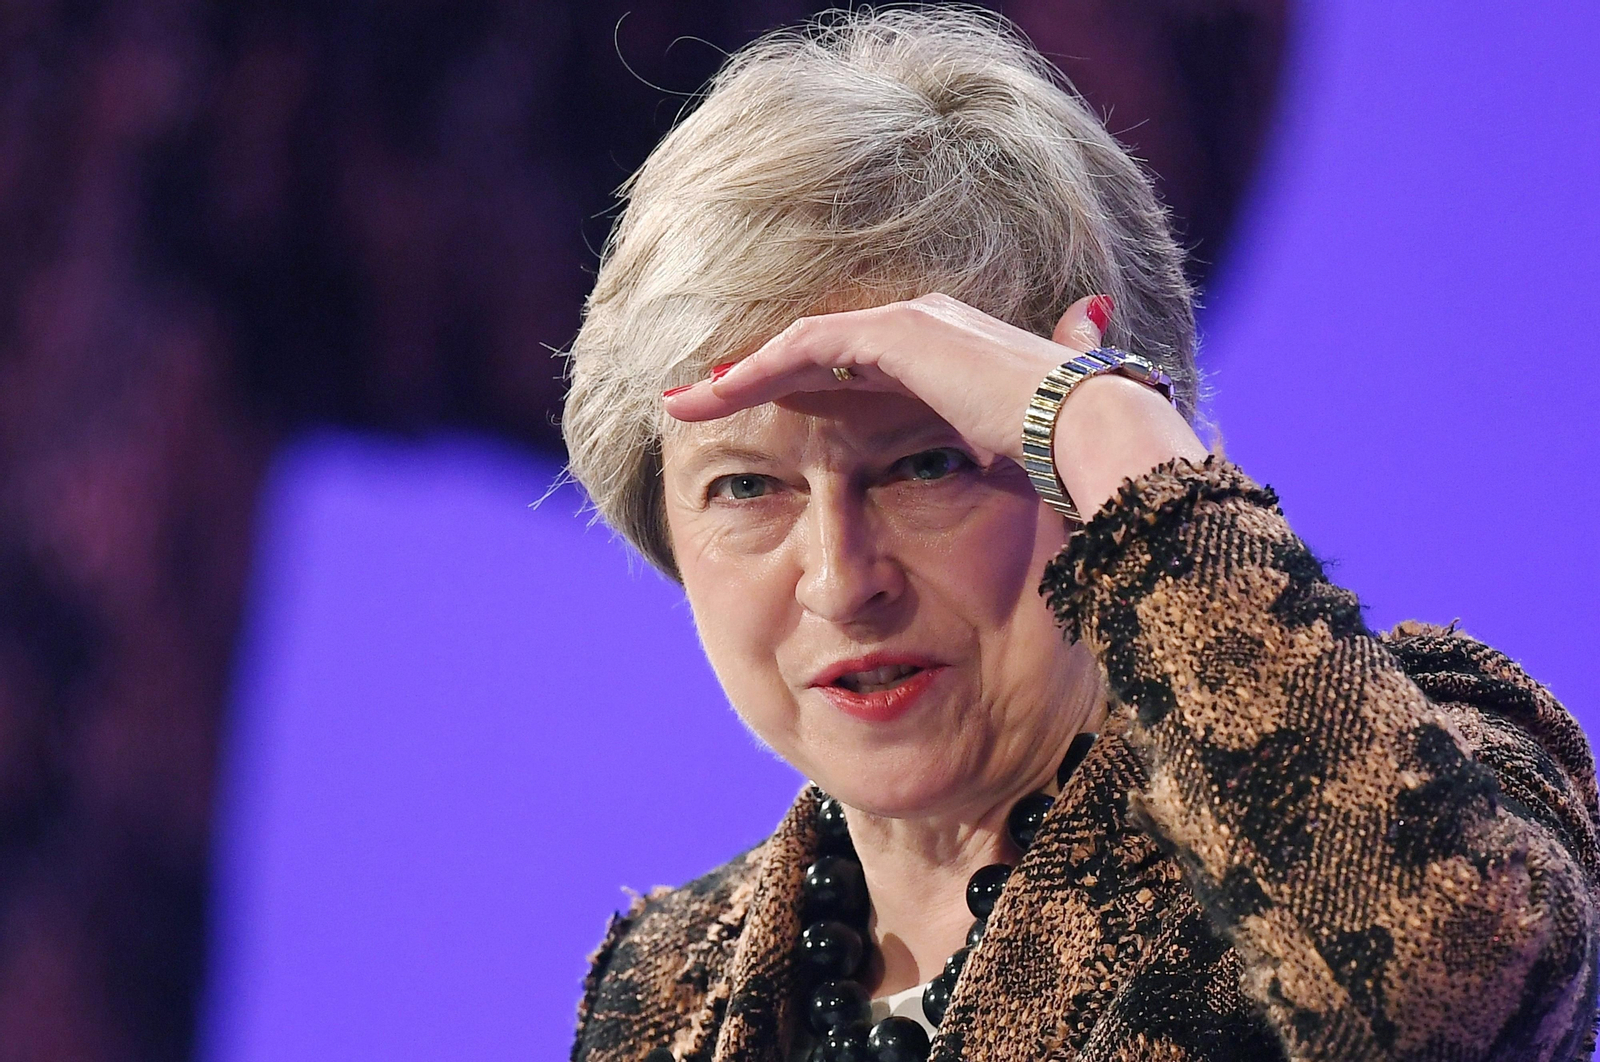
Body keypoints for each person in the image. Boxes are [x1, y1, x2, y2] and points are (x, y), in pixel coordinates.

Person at [562, 9, 1598, 1062]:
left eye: (928, 464)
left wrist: (1113, 428)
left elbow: (1440, 989)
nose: (840, 579)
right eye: (746, 486)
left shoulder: (1425, 777)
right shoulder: (673, 976)